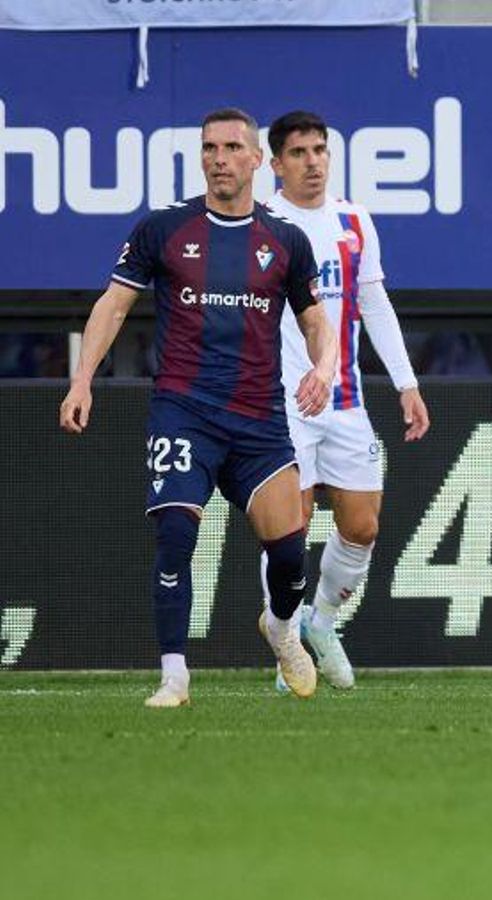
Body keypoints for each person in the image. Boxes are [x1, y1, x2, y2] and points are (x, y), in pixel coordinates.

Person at [59, 108, 335, 707]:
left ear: (257, 160)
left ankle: (281, 628)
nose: (219, 158)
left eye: (232, 147)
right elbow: (113, 305)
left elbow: (317, 321)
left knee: (290, 555)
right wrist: (82, 381)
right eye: (210, 147)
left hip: (259, 420)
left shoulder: (285, 240)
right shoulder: (164, 228)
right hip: (184, 410)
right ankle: (174, 676)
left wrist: (324, 367)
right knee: (176, 532)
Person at [262, 110, 431, 690]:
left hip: (346, 400)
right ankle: (288, 650)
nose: (312, 162)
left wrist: (406, 383)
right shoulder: (262, 225)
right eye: (299, 153)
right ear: (276, 164)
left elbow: (373, 303)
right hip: (282, 403)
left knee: (362, 526)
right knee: (290, 529)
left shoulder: (354, 220)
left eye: (320, 150)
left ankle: (321, 622)